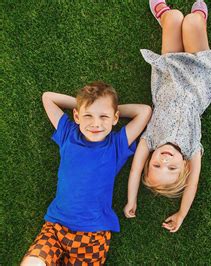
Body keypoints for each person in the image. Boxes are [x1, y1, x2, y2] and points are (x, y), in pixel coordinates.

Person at [123, 0, 211, 233]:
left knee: (173, 18)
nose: (166, 160)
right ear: (184, 166)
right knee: (192, 21)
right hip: (198, 77)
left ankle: (163, 15)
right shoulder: (192, 149)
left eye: (157, 164)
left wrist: (132, 200)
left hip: (169, 73)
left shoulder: (149, 139)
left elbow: (133, 171)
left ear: (149, 159)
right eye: (171, 168)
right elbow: (192, 185)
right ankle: (200, 20)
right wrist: (181, 214)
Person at [21, 81, 152, 265]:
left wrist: (109, 107)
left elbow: (144, 111)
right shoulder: (68, 134)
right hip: (55, 228)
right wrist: (88, 106)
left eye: (104, 117)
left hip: (93, 235)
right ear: (76, 115)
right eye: (88, 115)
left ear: (116, 118)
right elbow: (48, 97)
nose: (95, 123)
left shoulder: (116, 145)